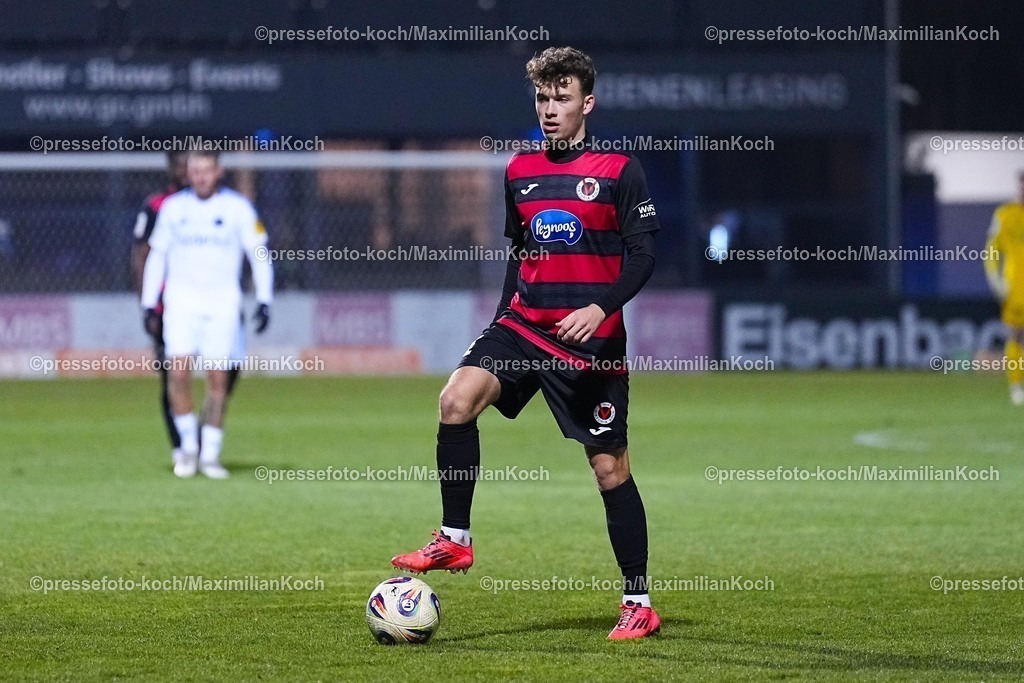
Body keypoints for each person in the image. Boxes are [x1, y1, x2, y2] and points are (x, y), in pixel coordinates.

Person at [391, 47, 662, 639]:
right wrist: (497, 325)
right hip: (524, 327)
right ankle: (455, 539)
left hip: (591, 348)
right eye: (542, 97)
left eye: (562, 97)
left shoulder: (619, 171)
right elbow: (522, 255)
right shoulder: (519, 171)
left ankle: (638, 601)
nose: (549, 108)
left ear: (586, 103)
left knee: (609, 469)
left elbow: (643, 256)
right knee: (454, 401)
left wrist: (599, 308)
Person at [140, 151, 273, 478]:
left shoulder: (237, 208)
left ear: (218, 172)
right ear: (188, 173)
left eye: (206, 170)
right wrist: (148, 302)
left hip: (222, 306)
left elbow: (258, 254)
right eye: (194, 170)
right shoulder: (173, 209)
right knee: (178, 374)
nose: (200, 176)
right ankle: (187, 449)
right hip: (181, 305)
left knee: (218, 380)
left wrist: (265, 299)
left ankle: (210, 454)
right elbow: (157, 256)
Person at [984, 171, 1024, 405]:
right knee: (1016, 335)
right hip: (1016, 289)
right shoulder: (1005, 215)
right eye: (1021, 186)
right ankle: (1017, 385)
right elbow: (991, 251)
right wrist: (996, 282)